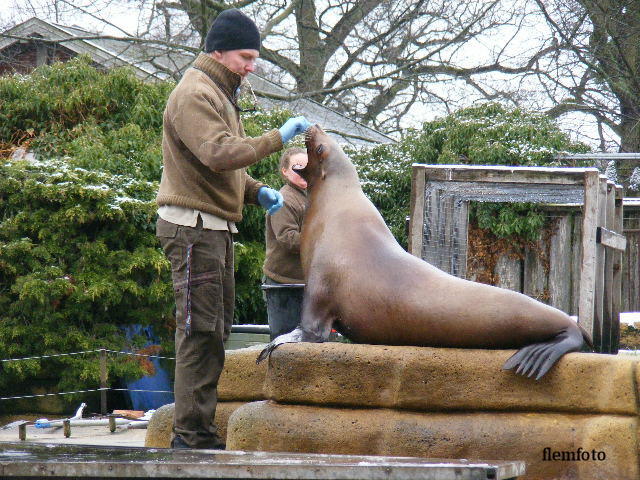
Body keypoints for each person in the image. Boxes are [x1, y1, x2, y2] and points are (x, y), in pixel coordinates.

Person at [155, 8, 312, 450]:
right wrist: (276, 139)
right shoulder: (194, 93)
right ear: (218, 51)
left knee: (214, 332)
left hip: (215, 227)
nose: (251, 66)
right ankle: (189, 437)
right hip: (193, 229)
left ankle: (199, 431)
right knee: (199, 333)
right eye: (245, 56)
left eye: (254, 57)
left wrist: (256, 191)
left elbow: (219, 170)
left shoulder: (220, 93)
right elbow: (218, 154)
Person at [263, 147, 308, 339]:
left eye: (308, 167)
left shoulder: (313, 195)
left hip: (306, 283)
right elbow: (288, 239)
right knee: (285, 343)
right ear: (285, 171)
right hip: (283, 285)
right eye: (297, 168)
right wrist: (323, 243)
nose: (303, 173)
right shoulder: (284, 199)